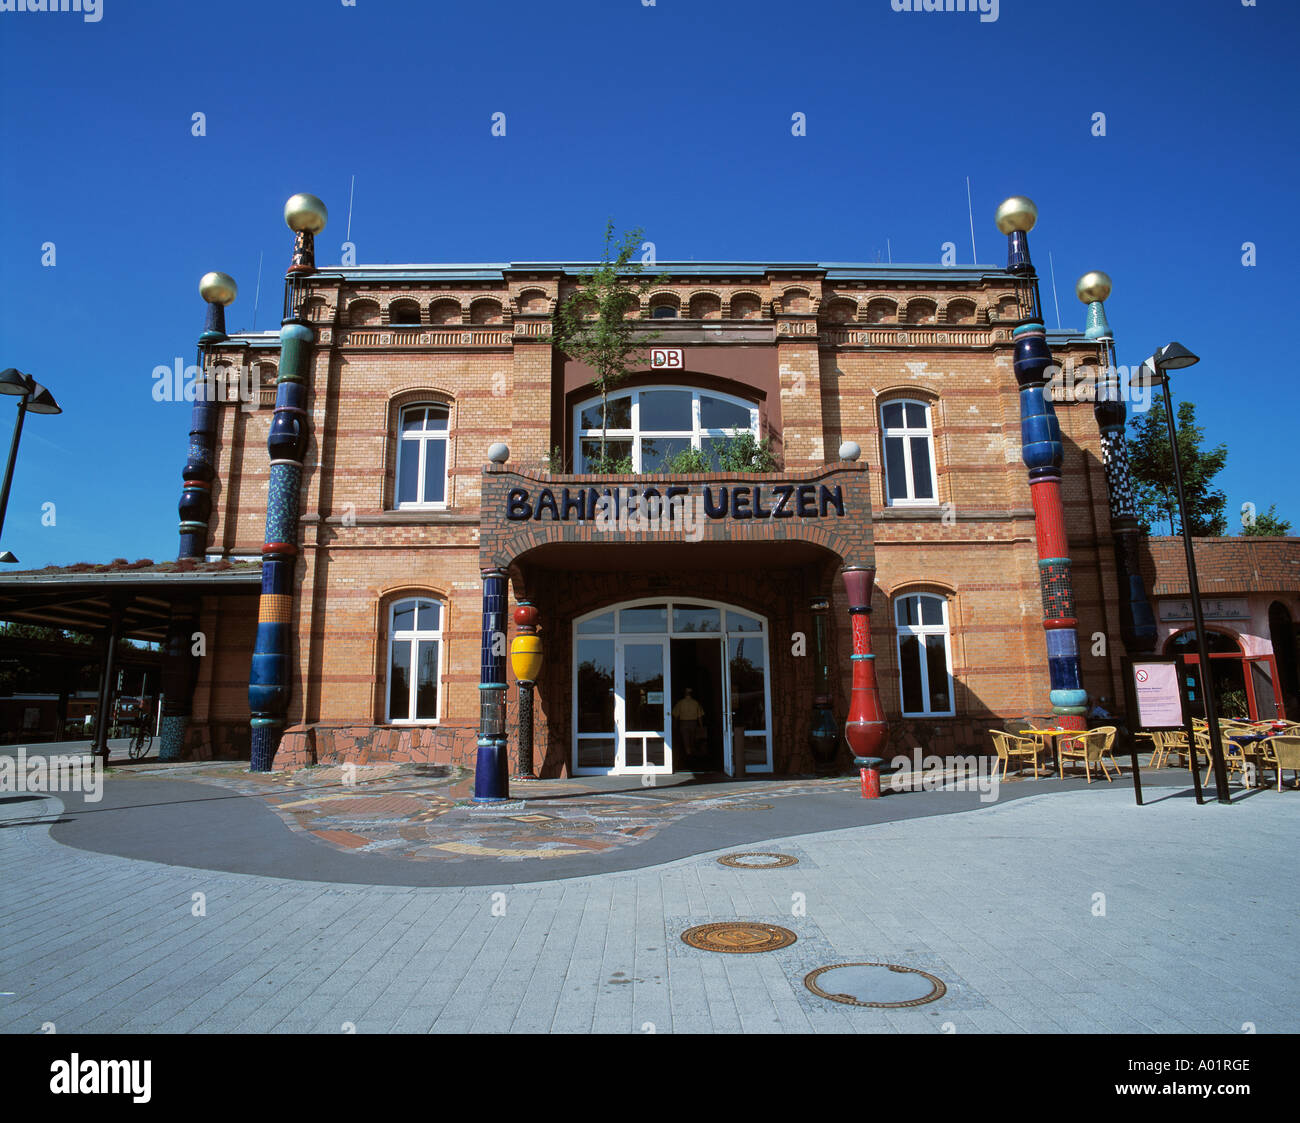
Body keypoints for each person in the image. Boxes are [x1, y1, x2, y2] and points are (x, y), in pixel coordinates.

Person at [672, 687, 705, 760]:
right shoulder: (696, 703)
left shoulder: (680, 703)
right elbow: (699, 716)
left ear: (685, 693)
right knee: (692, 738)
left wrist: (674, 725)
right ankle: (691, 753)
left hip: (683, 723)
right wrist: (701, 726)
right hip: (693, 723)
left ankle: (688, 754)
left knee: (685, 739)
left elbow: (675, 716)